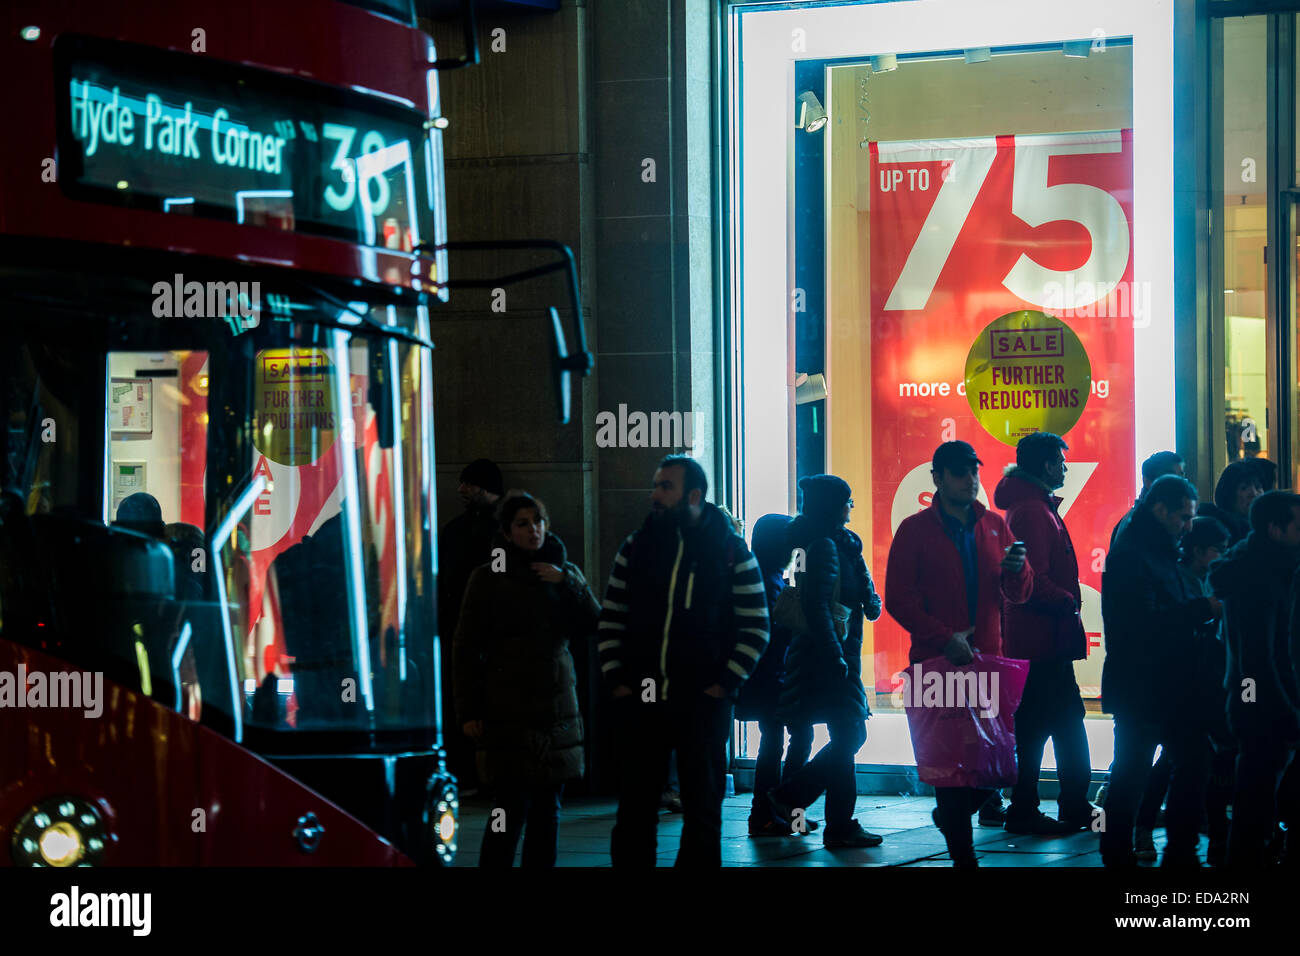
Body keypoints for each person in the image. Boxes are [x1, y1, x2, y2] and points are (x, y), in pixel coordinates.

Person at [598, 455, 769, 866]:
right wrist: (617, 680)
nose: (654, 494)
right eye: (656, 484)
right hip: (642, 697)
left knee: (702, 811)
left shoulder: (729, 550)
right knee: (635, 810)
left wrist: (724, 684)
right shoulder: (637, 546)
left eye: (665, 487)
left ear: (693, 495)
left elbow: (757, 625)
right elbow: (612, 617)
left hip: (702, 700)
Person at [885, 441, 1032, 866]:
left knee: (995, 764)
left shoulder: (994, 525)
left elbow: (1017, 594)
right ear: (938, 479)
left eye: (974, 472)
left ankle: (952, 817)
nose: (970, 480)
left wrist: (1019, 569)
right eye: (960, 473)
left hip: (986, 659)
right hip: (938, 661)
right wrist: (946, 637)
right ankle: (963, 856)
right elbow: (898, 598)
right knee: (950, 765)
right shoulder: (915, 530)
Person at [453, 492, 600, 866]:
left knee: (547, 811)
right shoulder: (487, 578)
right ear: (506, 531)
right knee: (508, 808)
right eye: (523, 523)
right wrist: (469, 709)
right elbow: (466, 647)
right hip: (509, 709)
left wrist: (567, 581)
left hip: (555, 708)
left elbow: (594, 623)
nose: (534, 530)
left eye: (539, 521)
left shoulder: (563, 572)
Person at [1099, 476, 1220, 867]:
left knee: (1174, 764)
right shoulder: (1134, 558)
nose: (1188, 525)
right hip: (1146, 686)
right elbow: (1141, 624)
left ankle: (1169, 849)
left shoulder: (1160, 554)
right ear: (1160, 510)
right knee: (1136, 771)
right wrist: (1204, 610)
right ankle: (1129, 850)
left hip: (1166, 686)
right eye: (1183, 516)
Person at [766, 476, 884, 848]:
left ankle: (812, 814)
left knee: (836, 734)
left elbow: (854, 596)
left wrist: (870, 600)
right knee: (850, 733)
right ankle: (812, 810)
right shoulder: (824, 546)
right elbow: (816, 606)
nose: (851, 506)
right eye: (846, 500)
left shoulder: (835, 543)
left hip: (828, 654)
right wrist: (835, 653)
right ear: (830, 505)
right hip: (828, 657)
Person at [994, 432, 1096, 834]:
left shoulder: (1032, 507)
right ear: (1043, 466)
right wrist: (1067, 601)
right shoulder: (1033, 511)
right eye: (1058, 461)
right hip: (1042, 640)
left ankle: (1040, 805)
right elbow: (1028, 578)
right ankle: (1059, 805)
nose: (1065, 467)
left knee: (1042, 723)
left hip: (1039, 639)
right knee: (1059, 722)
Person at [1131, 516, 1231, 863]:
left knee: (1192, 760)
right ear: (1200, 551)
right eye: (1219, 549)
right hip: (1184, 684)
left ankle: (1205, 837)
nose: (1224, 554)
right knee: (1183, 760)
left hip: (1204, 682)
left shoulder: (1205, 581)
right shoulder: (1183, 583)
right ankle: (1161, 834)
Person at [1210, 490, 1300, 865]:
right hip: (1263, 706)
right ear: (1275, 529)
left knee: (1259, 797)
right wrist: (1259, 707)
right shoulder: (1256, 577)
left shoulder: (1273, 568)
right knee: (1254, 800)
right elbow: (1253, 661)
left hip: (1269, 702)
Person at [736, 512, 816, 836]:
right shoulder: (766, 580)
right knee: (785, 741)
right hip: (774, 678)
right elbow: (775, 629)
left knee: (777, 742)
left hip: (770, 677)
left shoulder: (764, 575)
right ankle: (772, 812)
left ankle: (776, 813)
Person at [438, 458, 505, 789]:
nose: (461, 489)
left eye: (469, 484)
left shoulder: (465, 531)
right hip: (471, 627)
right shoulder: (462, 530)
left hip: (477, 628)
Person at [1110, 451, 1185, 549]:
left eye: (1181, 476)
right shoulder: (1137, 524)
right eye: (1171, 477)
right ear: (1148, 482)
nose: (1180, 483)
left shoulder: (1160, 518)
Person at [1197, 461, 1263, 547]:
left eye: (1258, 487)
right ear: (1229, 494)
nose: (1254, 493)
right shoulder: (1220, 533)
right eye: (1244, 488)